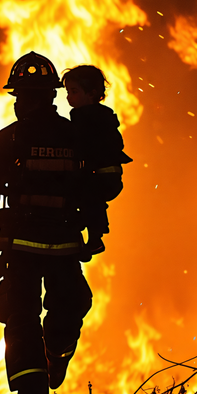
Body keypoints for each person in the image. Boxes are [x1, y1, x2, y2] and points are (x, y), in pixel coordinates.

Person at [0, 52, 94, 394]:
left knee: (20, 318)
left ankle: (31, 389)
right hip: (62, 246)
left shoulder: (11, 137)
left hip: (24, 247)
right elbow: (95, 189)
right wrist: (96, 227)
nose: (19, 104)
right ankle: (52, 360)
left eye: (21, 97)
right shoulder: (75, 136)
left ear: (30, 98)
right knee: (66, 310)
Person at [62, 65, 132, 261]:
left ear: (92, 94)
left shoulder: (93, 117)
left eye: (74, 92)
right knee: (87, 199)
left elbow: (85, 143)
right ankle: (90, 234)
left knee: (89, 199)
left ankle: (95, 238)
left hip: (103, 175)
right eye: (68, 92)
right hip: (99, 173)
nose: (69, 97)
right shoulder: (91, 115)